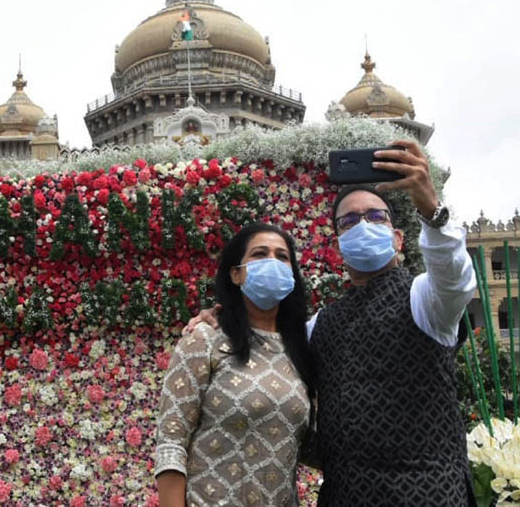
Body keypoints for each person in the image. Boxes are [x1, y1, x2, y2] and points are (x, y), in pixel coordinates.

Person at [186, 140, 477, 505]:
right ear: (339, 242)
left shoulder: (426, 300)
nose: (363, 225)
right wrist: (223, 316)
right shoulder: (319, 326)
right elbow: (265, 340)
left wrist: (432, 211)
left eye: (375, 217)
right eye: (350, 221)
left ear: (398, 238)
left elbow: (455, 280)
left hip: (429, 494)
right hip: (345, 496)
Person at [154, 223, 317, 506]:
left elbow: (307, 447)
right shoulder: (205, 339)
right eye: (259, 254)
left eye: (282, 256)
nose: (272, 262)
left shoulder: (302, 349)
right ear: (236, 273)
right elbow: (171, 440)